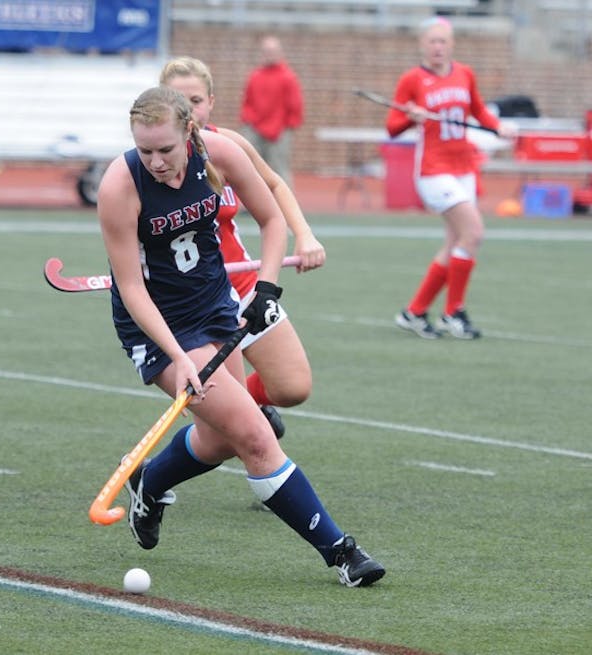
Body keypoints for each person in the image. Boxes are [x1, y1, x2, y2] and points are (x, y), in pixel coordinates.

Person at [97, 86, 384, 587]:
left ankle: (151, 479)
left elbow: (271, 219)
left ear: (189, 131)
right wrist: (177, 357)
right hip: (158, 322)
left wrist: (266, 288)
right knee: (255, 436)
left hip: (213, 303)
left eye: (165, 149)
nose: (157, 162)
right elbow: (131, 287)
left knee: (221, 439)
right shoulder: (121, 185)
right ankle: (341, 553)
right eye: (146, 151)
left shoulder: (221, 152)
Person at [161, 56, 325, 438]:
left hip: (244, 286)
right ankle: (153, 475)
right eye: (178, 101)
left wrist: (305, 234)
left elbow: (274, 186)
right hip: (195, 304)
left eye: (196, 101)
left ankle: (245, 409)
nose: (189, 112)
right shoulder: (153, 163)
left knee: (292, 387)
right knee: (222, 434)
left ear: (211, 103)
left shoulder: (229, 145)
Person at [388, 16, 517, 340]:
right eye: (432, 41)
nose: (437, 47)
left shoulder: (464, 74)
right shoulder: (412, 80)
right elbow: (392, 126)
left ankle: (414, 312)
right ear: (422, 44)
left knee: (455, 242)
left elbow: (479, 111)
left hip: (464, 167)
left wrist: (497, 127)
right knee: (473, 233)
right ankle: (452, 313)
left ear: (451, 44)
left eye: (443, 41)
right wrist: (410, 116)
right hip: (434, 170)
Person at [238, 36, 304, 189]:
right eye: (266, 51)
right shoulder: (255, 76)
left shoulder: (288, 77)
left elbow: (295, 104)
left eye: (272, 51)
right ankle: (253, 202)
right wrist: (248, 120)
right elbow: (248, 101)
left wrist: (288, 126)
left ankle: (286, 206)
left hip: (279, 130)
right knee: (250, 167)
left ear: (279, 53)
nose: (269, 54)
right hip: (255, 128)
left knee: (279, 169)